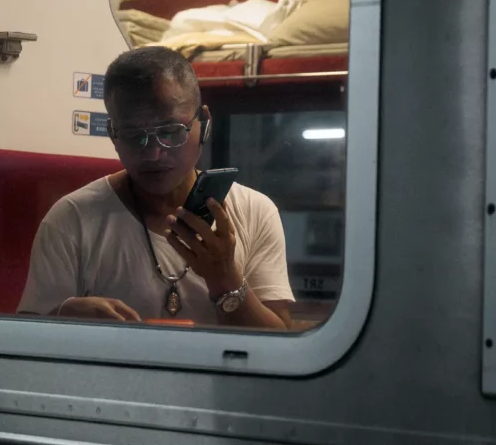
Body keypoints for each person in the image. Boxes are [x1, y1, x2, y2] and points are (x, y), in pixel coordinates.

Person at [17, 47, 294, 329]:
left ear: (206, 123)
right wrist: (63, 319)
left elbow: (279, 348)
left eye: (171, 131)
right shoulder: (71, 219)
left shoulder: (255, 212)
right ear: (113, 134)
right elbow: (23, 345)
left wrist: (225, 280)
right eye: (133, 135)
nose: (153, 153)